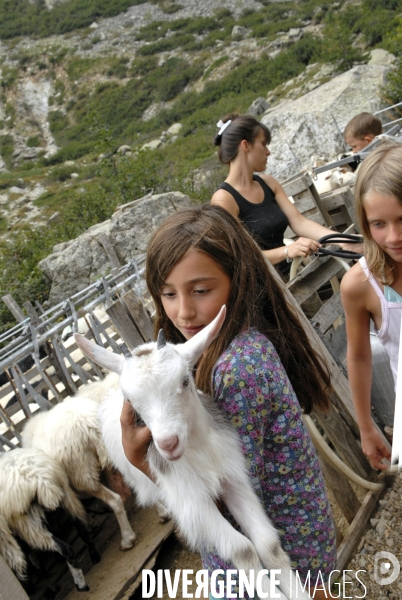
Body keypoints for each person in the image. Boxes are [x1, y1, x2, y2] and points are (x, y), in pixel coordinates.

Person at [121, 204, 336, 599]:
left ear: (237, 280)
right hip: (289, 544)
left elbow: (224, 492)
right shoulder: (218, 352)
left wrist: (141, 462)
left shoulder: (235, 370)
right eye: (168, 293)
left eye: (200, 291)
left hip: (281, 557)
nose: (183, 311)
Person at [210, 114, 352, 275]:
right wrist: (287, 251)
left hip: (294, 277)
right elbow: (243, 257)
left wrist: (343, 240)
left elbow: (300, 223)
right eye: (263, 144)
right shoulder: (224, 199)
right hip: (266, 290)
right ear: (245, 146)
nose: (268, 152)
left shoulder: (269, 183)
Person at [340, 141, 402, 470]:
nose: (393, 237)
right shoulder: (360, 285)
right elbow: (360, 356)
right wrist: (367, 427)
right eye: (379, 224)